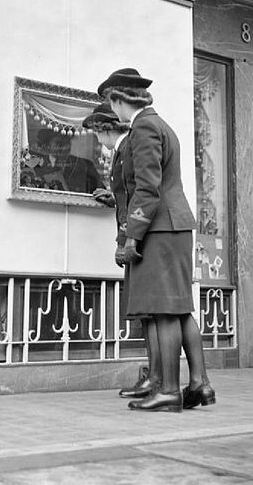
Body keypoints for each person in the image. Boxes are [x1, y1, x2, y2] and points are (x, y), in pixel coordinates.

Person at [98, 67, 215, 412]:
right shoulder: (161, 124)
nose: (113, 110)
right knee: (179, 310)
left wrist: (129, 237)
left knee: (164, 311)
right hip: (173, 225)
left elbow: (147, 189)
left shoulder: (144, 127)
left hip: (160, 228)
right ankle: (199, 384)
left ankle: (167, 391)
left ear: (119, 100)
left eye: (111, 102)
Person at [82, 103, 162, 397]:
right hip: (138, 236)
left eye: (95, 132)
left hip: (137, 239)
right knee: (146, 313)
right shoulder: (124, 147)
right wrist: (111, 199)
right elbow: (125, 196)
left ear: (104, 129)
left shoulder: (127, 147)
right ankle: (154, 378)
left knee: (149, 313)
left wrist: (123, 240)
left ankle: (156, 379)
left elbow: (136, 195)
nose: (96, 138)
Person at [34, 129, 102, 193]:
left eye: (67, 142)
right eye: (59, 143)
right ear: (47, 145)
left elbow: (99, 190)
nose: (64, 147)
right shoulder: (37, 165)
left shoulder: (85, 165)